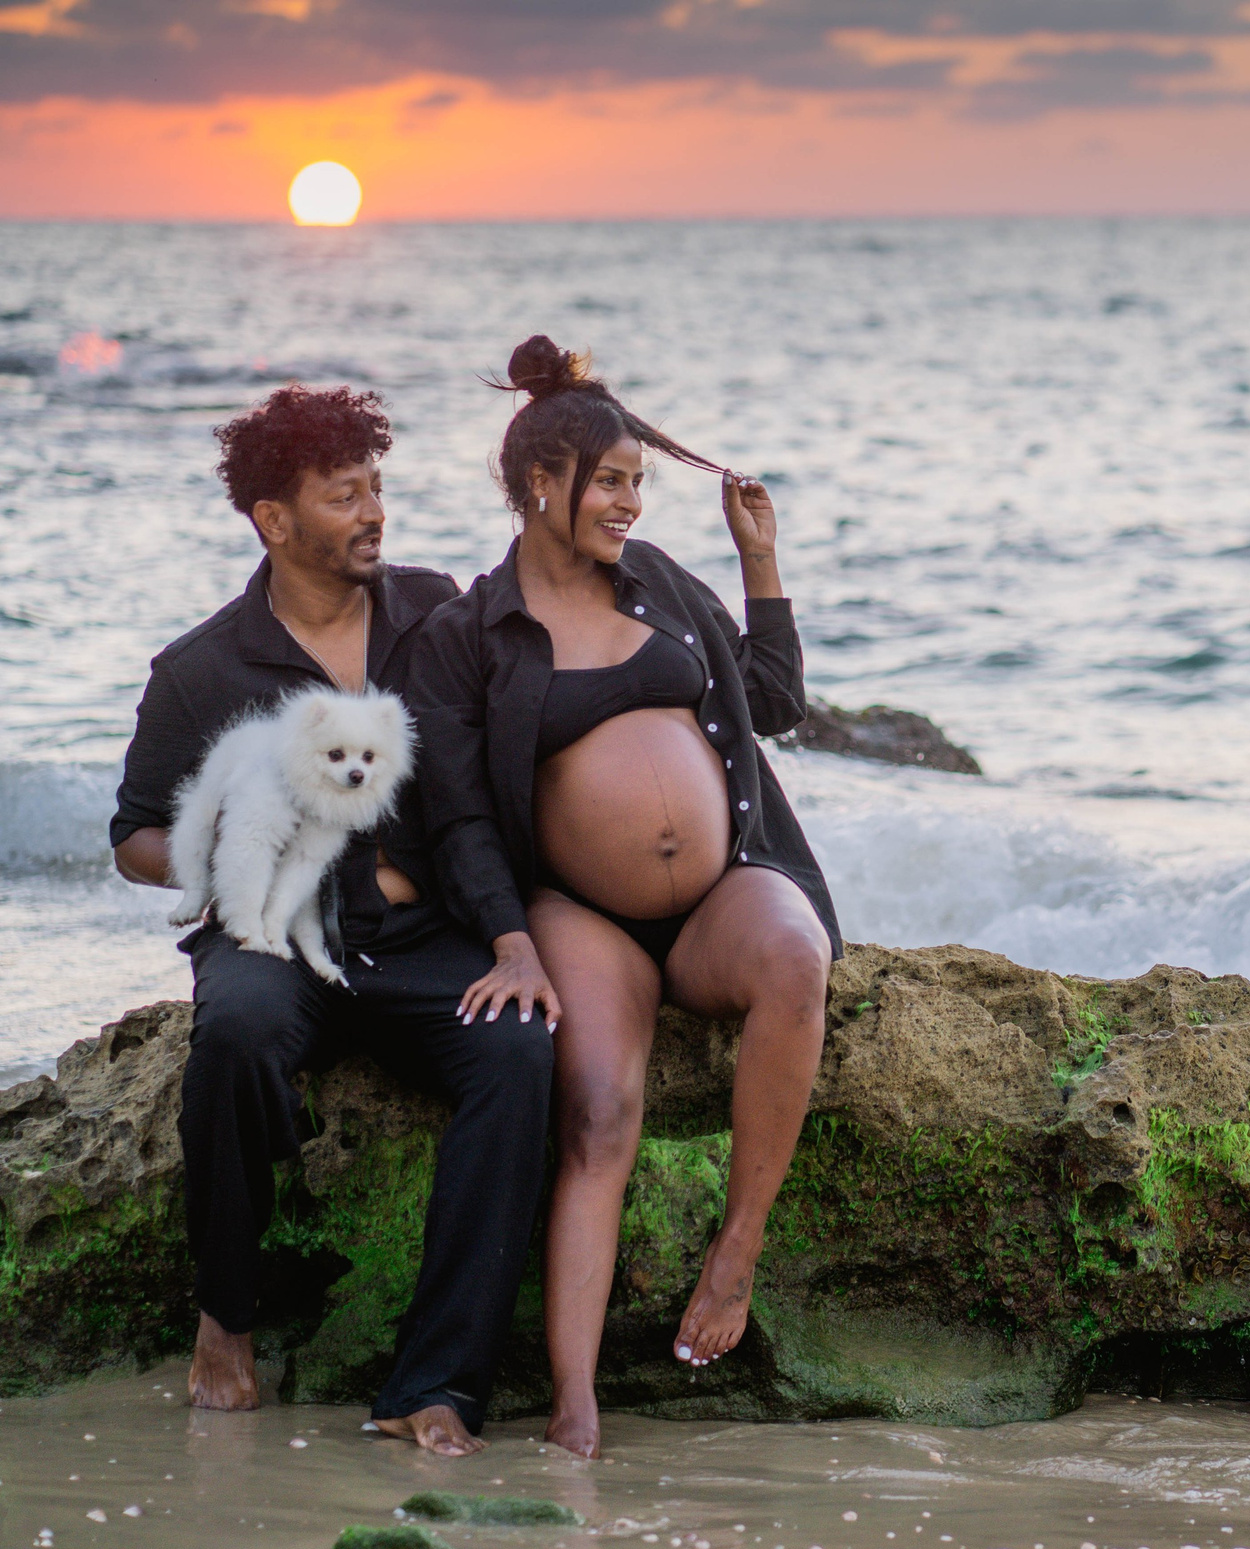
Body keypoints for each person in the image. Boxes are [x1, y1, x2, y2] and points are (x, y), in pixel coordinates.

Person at [409, 336, 840, 1460]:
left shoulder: (663, 587)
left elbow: (777, 703)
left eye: (638, 484)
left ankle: (735, 1252)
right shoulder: (470, 635)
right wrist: (508, 938)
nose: (629, 506)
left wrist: (760, 561)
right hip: (580, 916)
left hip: (718, 894)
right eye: (610, 483)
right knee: (599, 1112)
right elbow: (455, 813)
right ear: (541, 485)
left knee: (796, 960)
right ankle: (575, 1405)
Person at [111, 384, 553, 1455]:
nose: (373, 512)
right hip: (276, 939)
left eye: (378, 487)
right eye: (344, 493)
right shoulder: (201, 669)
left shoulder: (434, 613)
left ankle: (434, 1384)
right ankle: (228, 1314)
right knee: (237, 1034)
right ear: (275, 520)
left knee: (520, 1053)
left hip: (421, 941)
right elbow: (133, 837)